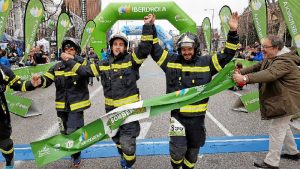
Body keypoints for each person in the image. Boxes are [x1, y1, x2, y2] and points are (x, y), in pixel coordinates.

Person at [60, 15, 155, 169]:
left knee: (128, 146)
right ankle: (124, 157)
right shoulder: (103, 64)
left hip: (129, 113)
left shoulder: (132, 60)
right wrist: (69, 61)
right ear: (110, 46)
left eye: (121, 44)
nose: (117, 47)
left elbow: (144, 49)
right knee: (117, 140)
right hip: (111, 113)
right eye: (115, 44)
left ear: (125, 46)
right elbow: (84, 71)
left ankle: (128, 162)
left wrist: (148, 26)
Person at [147, 13, 240, 169]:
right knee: (177, 152)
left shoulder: (207, 63)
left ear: (195, 48)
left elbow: (227, 54)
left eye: (189, 49)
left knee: (192, 155)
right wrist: (150, 27)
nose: (186, 52)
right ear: (179, 49)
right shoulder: (171, 61)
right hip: (177, 117)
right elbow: (155, 49)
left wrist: (232, 32)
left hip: (197, 120)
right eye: (183, 49)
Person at [233, 35, 300, 169]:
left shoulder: (284, 60)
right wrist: (240, 72)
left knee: (276, 129)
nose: (262, 49)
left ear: (276, 48)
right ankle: (293, 152)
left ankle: (272, 162)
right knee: (283, 126)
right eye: (262, 46)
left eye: (265, 47)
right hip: (284, 98)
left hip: (288, 100)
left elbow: (269, 74)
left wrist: (244, 78)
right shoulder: (273, 57)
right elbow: (258, 66)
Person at [37, 38, 90, 168]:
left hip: (76, 106)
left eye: (71, 49)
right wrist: (39, 81)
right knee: (65, 133)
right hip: (61, 107)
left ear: (76, 51)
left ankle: (76, 158)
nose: (68, 51)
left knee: (73, 131)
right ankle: (75, 153)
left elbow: (87, 72)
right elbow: (46, 80)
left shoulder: (82, 63)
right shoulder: (57, 66)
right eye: (66, 49)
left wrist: (71, 61)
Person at [0, 64, 40, 169]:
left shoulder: (2, 69)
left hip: (0, 115)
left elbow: (17, 83)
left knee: (5, 144)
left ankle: (9, 162)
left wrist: (31, 84)